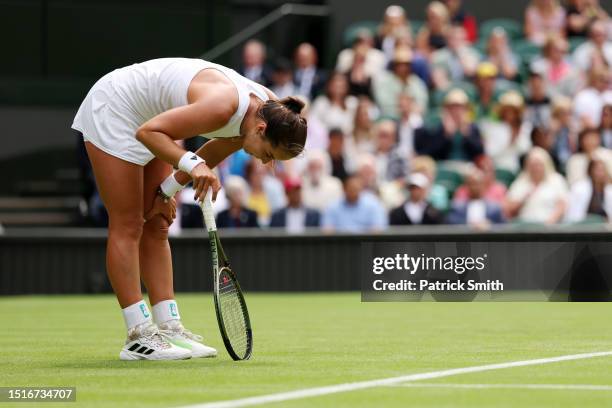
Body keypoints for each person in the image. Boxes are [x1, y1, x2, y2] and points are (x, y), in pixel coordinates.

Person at [72, 57, 307, 360]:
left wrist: (167, 191)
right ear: (261, 129)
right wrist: (193, 166)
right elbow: (149, 134)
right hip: (116, 107)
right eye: (267, 154)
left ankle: (168, 327)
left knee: (157, 222)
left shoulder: (271, 113)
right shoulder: (225, 106)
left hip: (153, 118)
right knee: (128, 222)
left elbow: (214, 150)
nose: (263, 162)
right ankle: (138, 335)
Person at [415, 88, 484, 161]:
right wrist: (445, 135)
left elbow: (480, 152)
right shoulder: (438, 127)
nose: (456, 111)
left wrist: (467, 135)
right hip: (443, 167)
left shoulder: (472, 128)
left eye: (460, 107)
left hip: (467, 167)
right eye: (453, 107)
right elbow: (430, 153)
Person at [504, 147, 568, 224]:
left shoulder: (556, 180)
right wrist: (523, 199)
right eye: (532, 165)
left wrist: (549, 222)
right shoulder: (520, 182)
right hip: (524, 227)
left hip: (549, 227)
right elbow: (508, 209)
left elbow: (562, 205)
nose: (535, 168)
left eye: (538, 164)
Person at [481, 91, 533, 173]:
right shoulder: (494, 127)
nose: (510, 114)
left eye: (513, 111)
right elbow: (490, 151)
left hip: (517, 169)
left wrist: (516, 139)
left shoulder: (524, 127)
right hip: (497, 168)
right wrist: (509, 142)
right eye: (507, 110)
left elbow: (525, 149)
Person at [372, 47, 429, 119]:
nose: (403, 68)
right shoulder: (385, 81)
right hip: (391, 118)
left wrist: (410, 109)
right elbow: (384, 104)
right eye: (399, 64)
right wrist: (401, 109)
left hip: (413, 117)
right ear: (394, 65)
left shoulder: (416, 82)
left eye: (406, 64)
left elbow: (422, 102)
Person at [322, 175, 387, 232]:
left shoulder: (373, 204)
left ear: (361, 189)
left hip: (366, 244)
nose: (353, 192)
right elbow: (327, 230)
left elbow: (378, 229)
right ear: (344, 189)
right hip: (340, 244)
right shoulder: (333, 206)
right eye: (351, 189)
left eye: (356, 189)